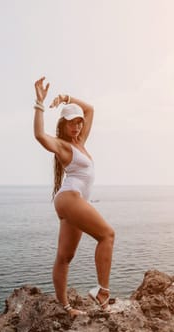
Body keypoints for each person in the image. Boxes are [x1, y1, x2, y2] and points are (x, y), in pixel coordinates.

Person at [33, 76, 115, 317]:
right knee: (107, 235)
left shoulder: (81, 142)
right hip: (70, 198)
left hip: (72, 202)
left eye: (79, 122)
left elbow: (90, 109)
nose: (77, 126)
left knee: (65, 256)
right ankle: (102, 292)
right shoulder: (63, 146)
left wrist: (67, 98)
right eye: (71, 122)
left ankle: (66, 307)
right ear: (63, 125)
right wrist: (40, 103)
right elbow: (39, 135)